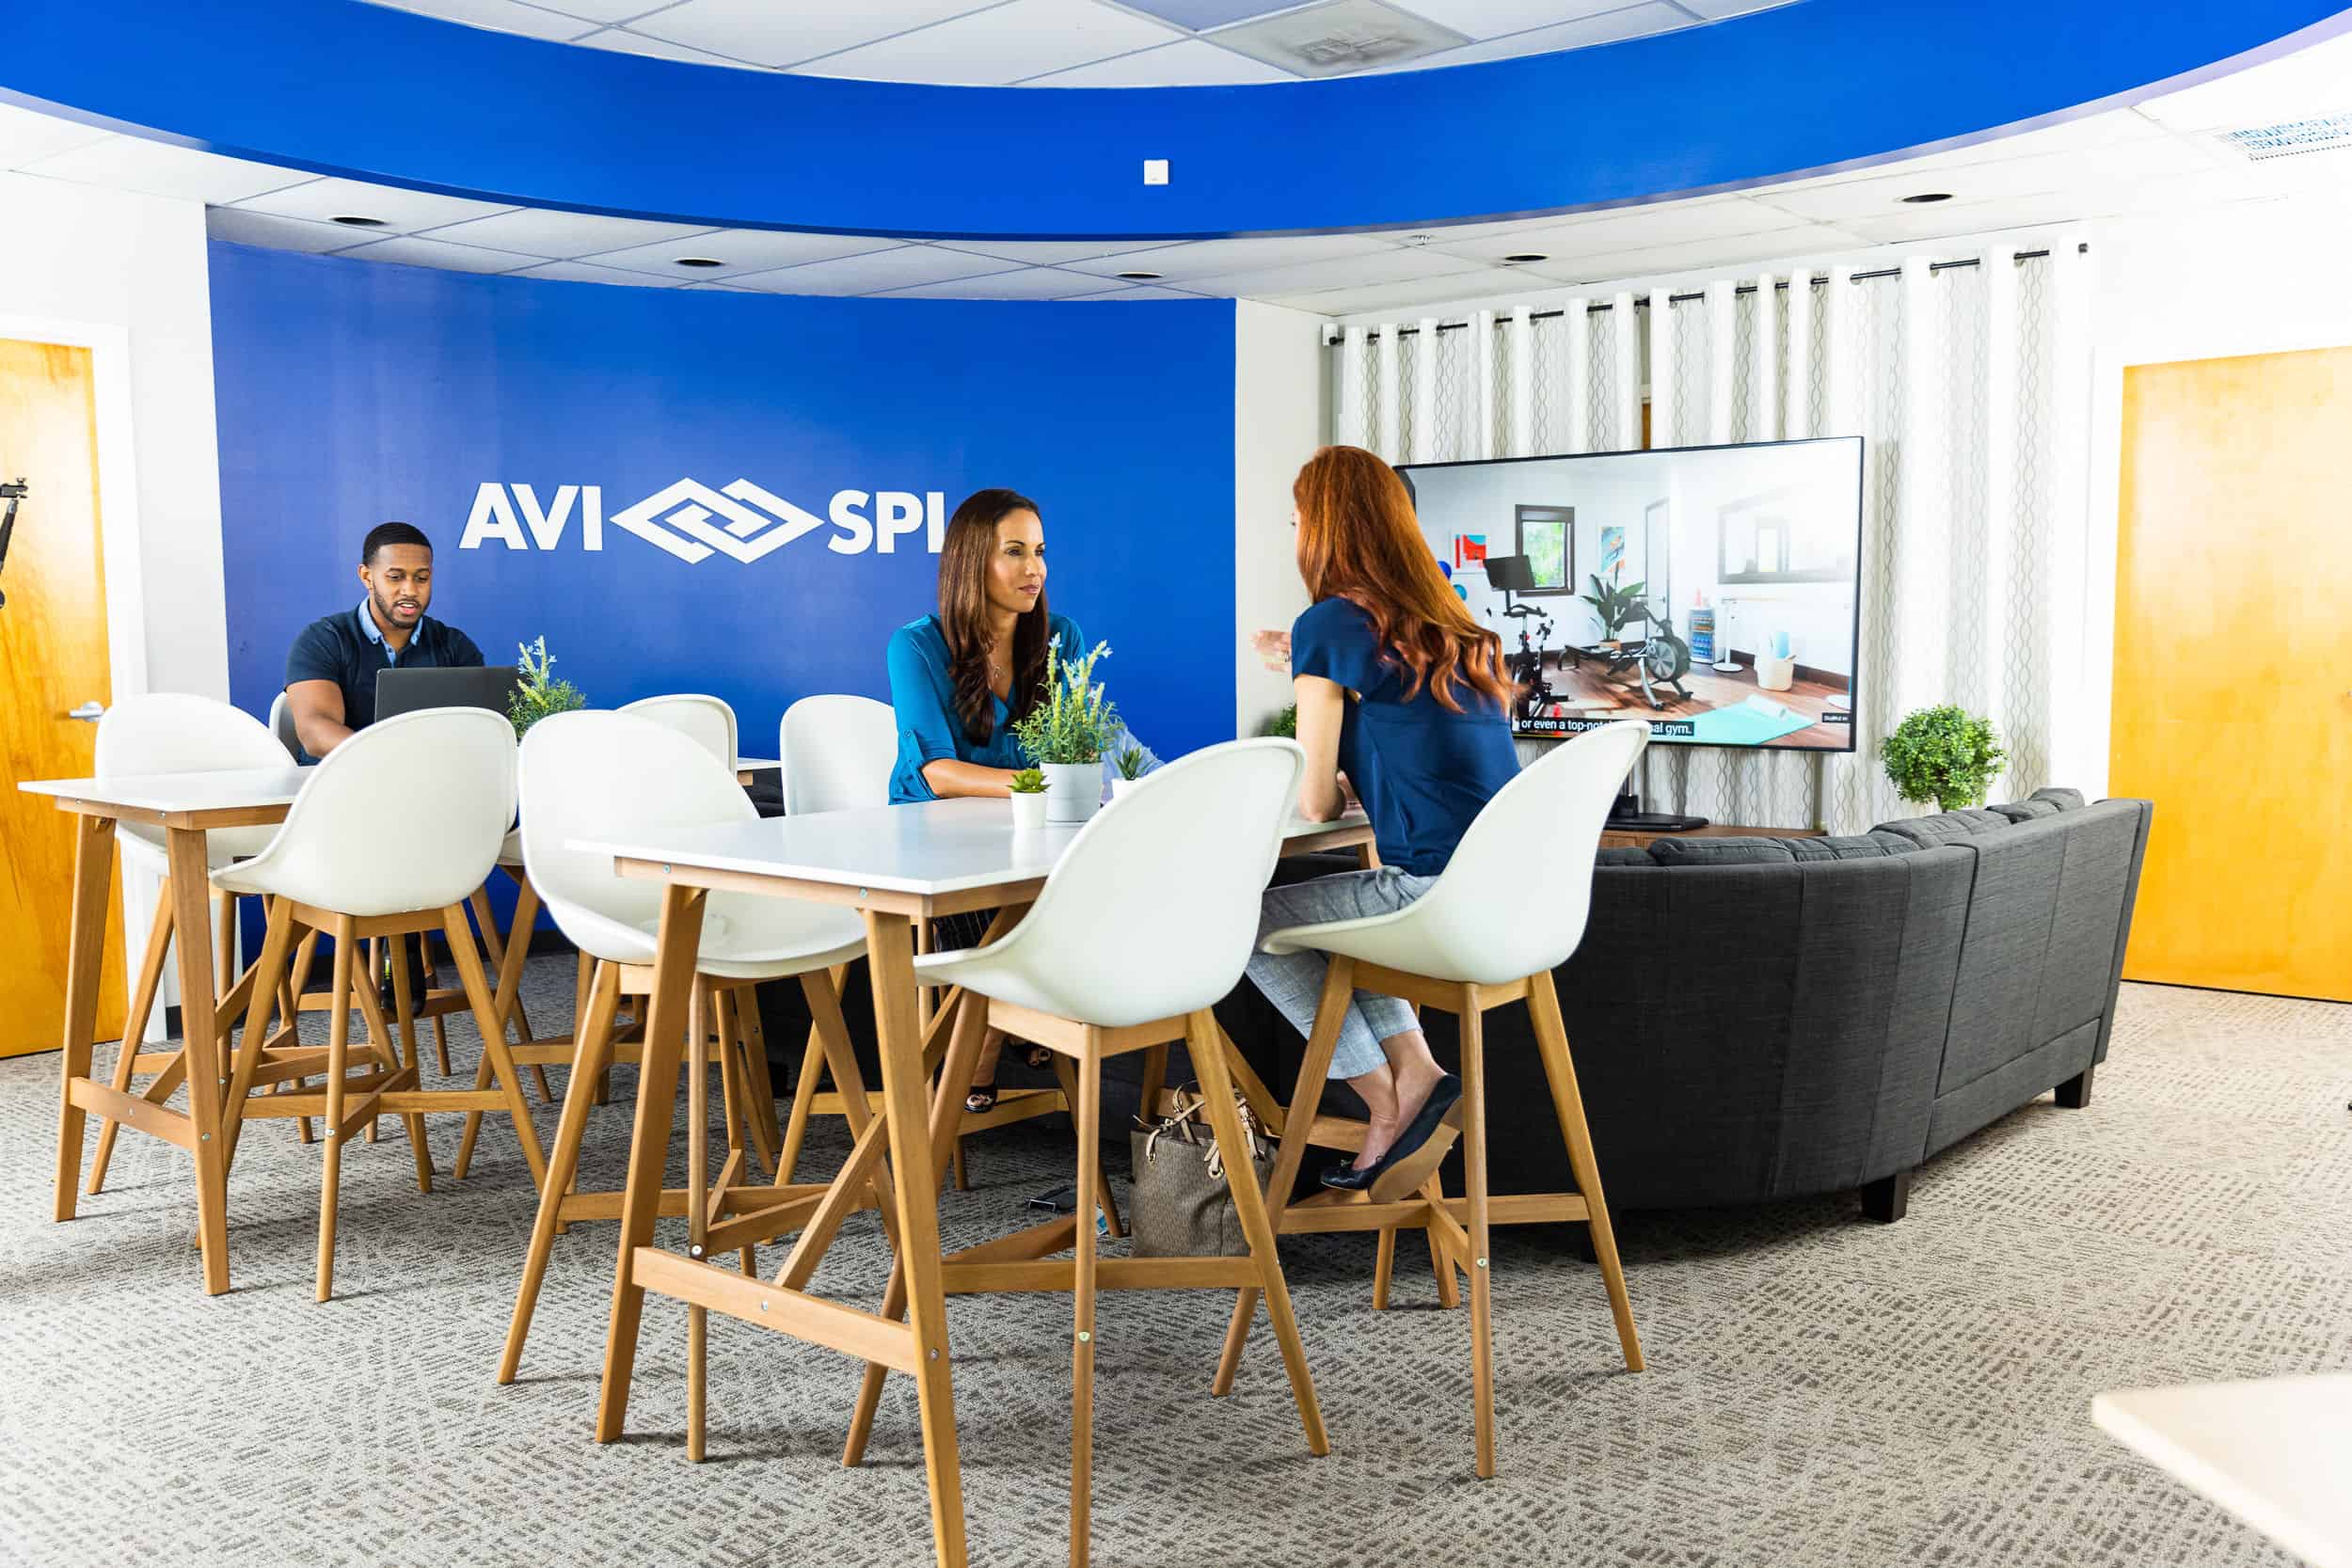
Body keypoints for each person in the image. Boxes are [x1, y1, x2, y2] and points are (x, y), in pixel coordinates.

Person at [1248, 445, 1521, 1199]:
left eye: (1299, 517)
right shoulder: (1452, 624)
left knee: (1249, 919)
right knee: (1341, 911)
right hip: (1510, 898)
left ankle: (1388, 1096)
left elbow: (1316, 805)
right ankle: (1415, 1072)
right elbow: (1410, 724)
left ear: (1325, 528)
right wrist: (1303, 664)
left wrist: (1310, 667)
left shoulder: (1331, 622)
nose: (1293, 529)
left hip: (1431, 893)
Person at [885, 487, 1156, 1110]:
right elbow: (938, 771)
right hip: (935, 842)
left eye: (1039, 551)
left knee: (1085, 892)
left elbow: (1091, 745)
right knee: (1011, 924)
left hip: (1031, 832)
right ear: (971, 561)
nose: (1035, 568)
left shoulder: (1061, 636)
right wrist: (1048, 784)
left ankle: (994, 1039)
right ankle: (997, 1038)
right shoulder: (917, 646)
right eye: (1014, 552)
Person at [284, 520, 484, 763]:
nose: (410, 590)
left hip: (427, 784)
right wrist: (391, 760)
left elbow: (477, 730)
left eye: (421, 578)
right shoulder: (323, 640)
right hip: (339, 785)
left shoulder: (455, 646)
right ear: (367, 577)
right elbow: (315, 732)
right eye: (395, 577)